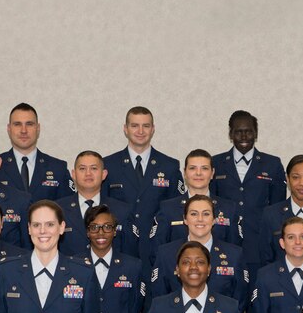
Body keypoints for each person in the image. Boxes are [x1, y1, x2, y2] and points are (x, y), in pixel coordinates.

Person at [211, 110, 287, 282]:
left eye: (249, 131)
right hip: (224, 246)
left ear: (256, 133)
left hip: (259, 247)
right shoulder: (216, 163)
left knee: (257, 302)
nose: (244, 135)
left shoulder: (273, 164)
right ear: (230, 134)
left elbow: (278, 210)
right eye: (238, 131)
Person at [102, 106, 184, 259]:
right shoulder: (108, 165)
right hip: (119, 248)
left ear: (153, 129)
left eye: (146, 126)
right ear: (125, 129)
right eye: (134, 126)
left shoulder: (170, 166)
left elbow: (176, 210)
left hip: (157, 248)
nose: (140, 131)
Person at [151, 195, 250, 313]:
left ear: (214, 219)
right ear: (185, 219)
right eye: (194, 214)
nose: (200, 219)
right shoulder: (166, 254)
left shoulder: (234, 255)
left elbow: (240, 300)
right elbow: (159, 297)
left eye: (206, 214)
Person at [150, 149, 242, 265]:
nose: (198, 173)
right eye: (192, 168)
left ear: (212, 173)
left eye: (204, 168)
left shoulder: (229, 208)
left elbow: (235, 252)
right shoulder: (168, 208)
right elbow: (157, 252)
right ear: (185, 173)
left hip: (219, 277)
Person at [56, 151, 131, 257]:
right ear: (73, 174)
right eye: (82, 168)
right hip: (69, 272)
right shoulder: (58, 209)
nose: (88, 173)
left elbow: (129, 254)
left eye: (94, 168)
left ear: (104, 174)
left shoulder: (122, 210)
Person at [0, 102, 72, 202]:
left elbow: (67, 209)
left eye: (29, 124)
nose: (24, 130)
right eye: (17, 124)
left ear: (38, 128)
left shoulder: (58, 168)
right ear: (9, 129)